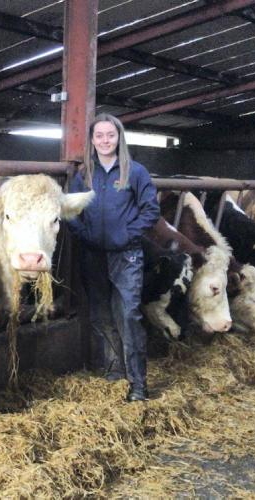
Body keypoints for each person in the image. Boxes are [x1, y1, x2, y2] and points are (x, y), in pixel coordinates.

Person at [66, 113, 160, 402]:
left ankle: (138, 384)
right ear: (92, 140)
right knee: (100, 314)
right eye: (99, 135)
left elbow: (151, 210)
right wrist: (85, 234)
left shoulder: (135, 172)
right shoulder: (84, 175)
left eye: (110, 135)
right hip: (93, 254)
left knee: (129, 314)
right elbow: (70, 210)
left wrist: (128, 234)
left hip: (126, 256)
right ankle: (114, 373)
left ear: (119, 138)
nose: (105, 140)